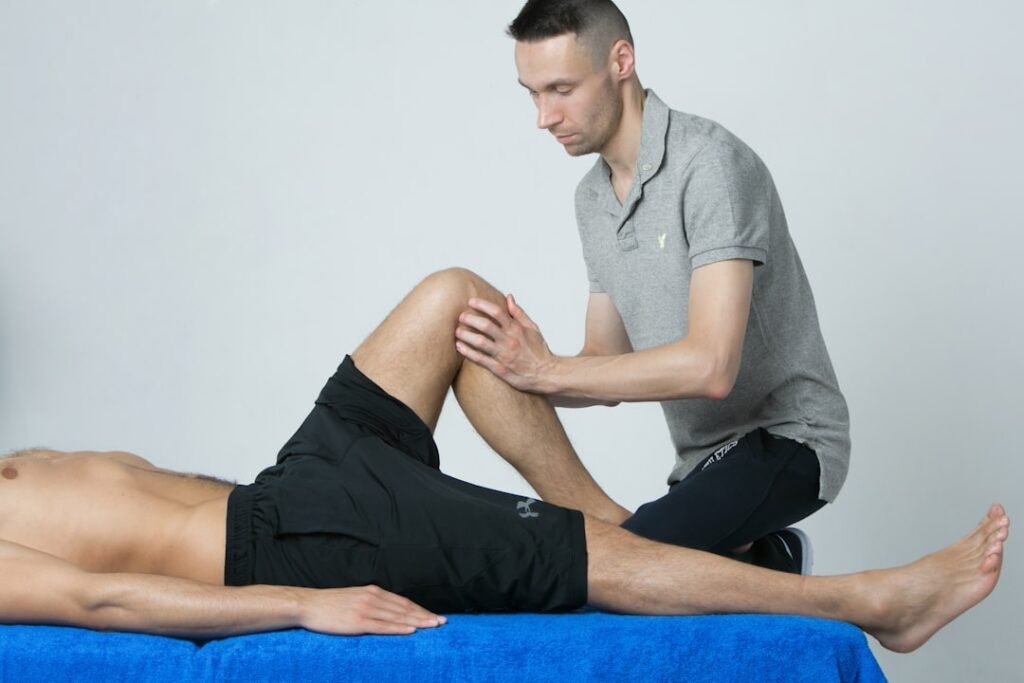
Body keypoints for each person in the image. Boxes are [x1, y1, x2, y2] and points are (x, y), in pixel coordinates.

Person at [0, 269, 1009, 651]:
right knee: (575, 562)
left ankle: (616, 523)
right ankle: (873, 603)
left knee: (455, 303)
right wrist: (304, 603)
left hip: (290, 487)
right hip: (297, 544)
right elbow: (102, 598)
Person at [455, 0, 849, 573]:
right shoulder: (591, 199)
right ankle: (767, 558)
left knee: (615, 568)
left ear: (621, 61)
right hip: (701, 463)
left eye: (562, 89)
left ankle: (777, 559)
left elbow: (712, 367)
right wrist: (514, 363)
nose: (544, 117)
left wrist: (547, 371)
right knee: (625, 568)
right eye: (533, 93)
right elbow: (603, 363)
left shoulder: (709, 164)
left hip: (791, 439)